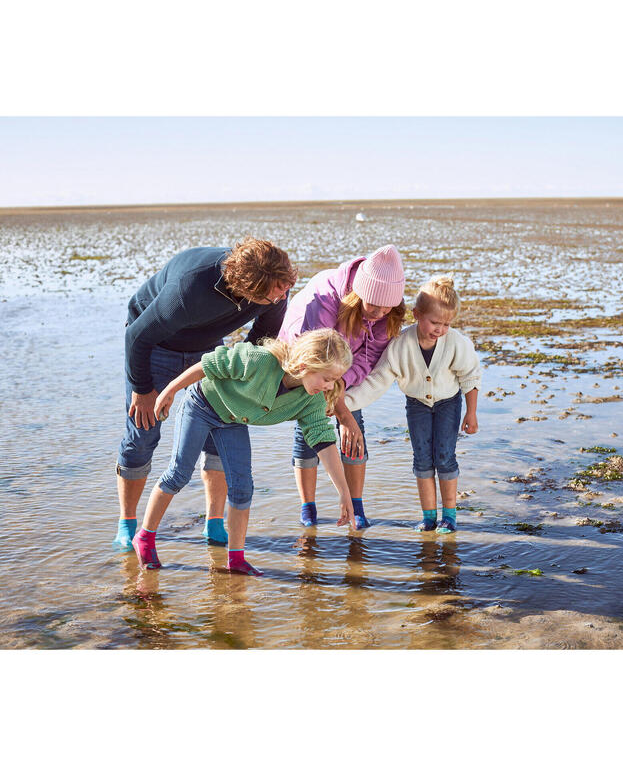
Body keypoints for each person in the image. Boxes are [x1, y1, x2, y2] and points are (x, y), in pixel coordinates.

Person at [115, 237, 296, 549]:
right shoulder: (190, 288)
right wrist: (143, 390)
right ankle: (127, 523)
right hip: (157, 346)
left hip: (207, 349)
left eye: (285, 286)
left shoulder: (276, 290)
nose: (283, 294)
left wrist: (240, 376)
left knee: (220, 424)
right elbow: (137, 336)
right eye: (277, 289)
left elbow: (261, 339)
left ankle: (214, 523)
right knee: (142, 434)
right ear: (250, 286)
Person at [132, 328, 356, 576]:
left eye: (335, 380)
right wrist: (171, 390)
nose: (329, 386)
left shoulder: (311, 400)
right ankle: (144, 537)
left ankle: (236, 559)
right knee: (179, 474)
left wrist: (343, 491)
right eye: (326, 378)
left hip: (233, 419)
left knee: (243, 487)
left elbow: (323, 440)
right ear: (304, 365)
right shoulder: (260, 360)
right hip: (201, 404)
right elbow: (209, 364)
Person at [278, 244, 406, 530]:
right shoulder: (325, 300)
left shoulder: (388, 314)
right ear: (357, 295)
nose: (378, 312)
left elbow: (368, 359)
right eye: (372, 305)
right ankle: (308, 508)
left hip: (341, 370)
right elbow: (317, 362)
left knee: (354, 425)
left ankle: (355, 505)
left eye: (387, 307)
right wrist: (337, 407)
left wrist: (342, 394)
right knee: (309, 425)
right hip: (307, 363)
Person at [344, 276, 480, 533]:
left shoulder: (456, 343)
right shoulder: (400, 344)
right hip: (417, 405)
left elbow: (470, 377)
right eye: (434, 322)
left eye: (446, 324)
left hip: (448, 403)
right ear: (417, 314)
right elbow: (377, 381)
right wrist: (344, 403)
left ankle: (449, 516)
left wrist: (471, 413)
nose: (440, 329)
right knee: (422, 459)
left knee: (444, 457)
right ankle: (429, 517)